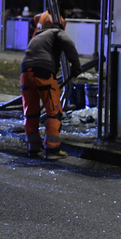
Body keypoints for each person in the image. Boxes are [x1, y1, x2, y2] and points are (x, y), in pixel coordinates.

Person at [20, 11, 82, 160]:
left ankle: (33, 148)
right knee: (54, 111)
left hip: (25, 73)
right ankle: (52, 149)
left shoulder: (38, 36)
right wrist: (76, 65)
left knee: (31, 112)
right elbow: (68, 43)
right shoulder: (56, 32)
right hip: (42, 72)